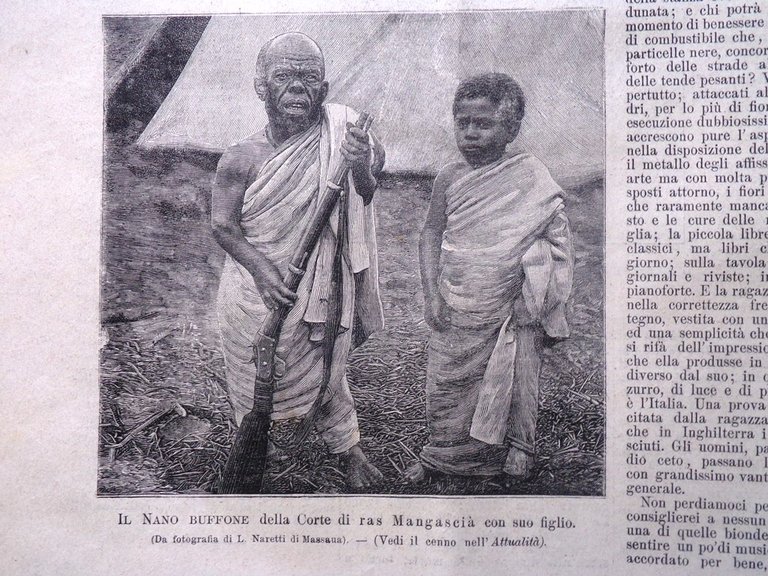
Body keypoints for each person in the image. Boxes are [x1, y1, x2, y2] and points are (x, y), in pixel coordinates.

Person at [211, 32, 385, 490]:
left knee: (328, 363)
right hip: (258, 291)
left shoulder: (344, 136)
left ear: (324, 89)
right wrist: (264, 274)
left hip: (322, 280)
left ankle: (348, 450)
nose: (296, 88)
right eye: (283, 76)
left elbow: (366, 190)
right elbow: (223, 226)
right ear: (261, 86)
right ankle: (255, 450)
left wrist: (360, 162)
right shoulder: (241, 157)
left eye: (308, 78)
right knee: (254, 373)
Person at [407, 73, 574, 483]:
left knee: (514, 374)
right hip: (458, 297)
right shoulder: (448, 178)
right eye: (462, 123)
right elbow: (431, 233)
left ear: (511, 128)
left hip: (512, 303)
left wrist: (533, 293)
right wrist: (431, 294)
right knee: (445, 378)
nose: (470, 133)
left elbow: (556, 243)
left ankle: (518, 446)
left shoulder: (532, 177)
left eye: (483, 124)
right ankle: (440, 452)